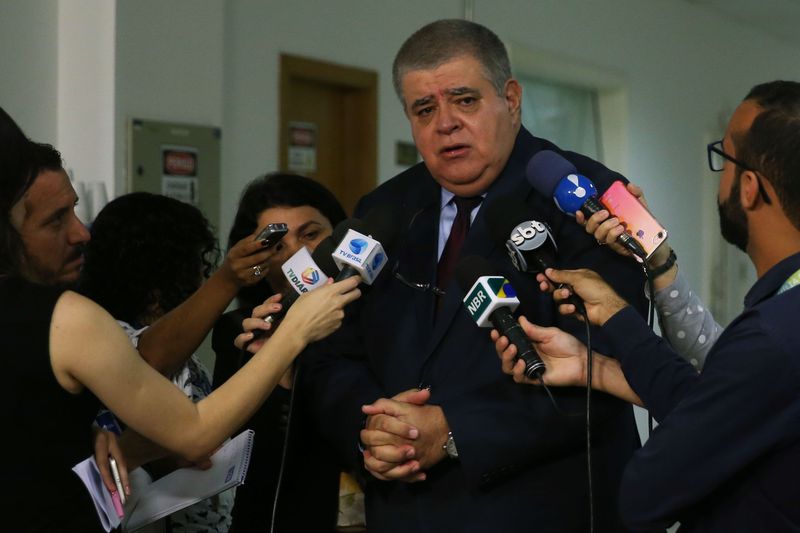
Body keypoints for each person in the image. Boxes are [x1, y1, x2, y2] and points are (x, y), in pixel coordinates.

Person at [301, 20, 649, 532]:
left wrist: (453, 430)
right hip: (406, 509)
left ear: (511, 99)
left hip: (546, 509)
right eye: (425, 109)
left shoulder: (588, 199)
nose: (446, 124)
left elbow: (613, 363)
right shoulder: (383, 208)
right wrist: (370, 429)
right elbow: (330, 352)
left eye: (464, 100)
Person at [0, 113, 361, 532]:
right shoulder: (65, 318)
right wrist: (294, 332)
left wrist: (105, 440)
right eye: (54, 219)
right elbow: (193, 431)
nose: (82, 233)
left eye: (311, 234)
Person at [495, 80, 800, 531]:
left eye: (724, 157)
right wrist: (596, 365)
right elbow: (721, 395)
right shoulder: (776, 327)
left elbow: (647, 490)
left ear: (749, 188)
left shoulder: (772, 338)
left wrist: (617, 316)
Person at [79, 192, 239, 532]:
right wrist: (230, 278)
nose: (202, 277)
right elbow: (146, 359)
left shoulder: (183, 354)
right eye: (196, 265)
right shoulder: (109, 339)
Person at [211, 172, 349, 532]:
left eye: (311, 234)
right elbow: (243, 459)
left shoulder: (381, 319)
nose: (299, 255)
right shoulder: (240, 331)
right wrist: (279, 360)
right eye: (277, 246)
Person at [578, 183, 723, 369]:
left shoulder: (758, 330)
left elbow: (719, 366)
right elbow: (708, 354)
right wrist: (659, 260)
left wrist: (611, 308)